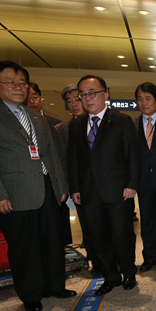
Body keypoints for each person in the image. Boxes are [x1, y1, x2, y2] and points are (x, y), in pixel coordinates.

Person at [0, 61, 75, 311]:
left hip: (47, 188)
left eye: (22, 83)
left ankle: (55, 286)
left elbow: (51, 154)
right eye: (10, 83)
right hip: (14, 194)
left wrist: (60, 185)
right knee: (24, 246)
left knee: (52, 240)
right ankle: (31, 294)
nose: (18, 88)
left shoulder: (35, 116)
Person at [68, 75, 140, 295]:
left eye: (92, 93)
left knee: (122, 234)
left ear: (105, 94)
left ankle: (128, 273)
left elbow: (132, 155)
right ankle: (110, 276)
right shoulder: (77, 124)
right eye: (83, 94)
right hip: (89, 192)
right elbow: (73, 158)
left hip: (118, 190)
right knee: (98, 236)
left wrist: (131, 184)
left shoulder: (121, 120)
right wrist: (75, 188)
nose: (87, 99)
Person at [54, 84, 97, 256]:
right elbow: (64, 161)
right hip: (79, 188)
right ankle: (94, 259)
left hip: (103, 185)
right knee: (87, 226)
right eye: (69, 101)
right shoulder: (61, 129)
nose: (74, 104)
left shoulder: (98, 122)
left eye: (77, 99)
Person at [133, 81, 156, 272]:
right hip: (143, 182)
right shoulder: (133, 124)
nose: (144, 103)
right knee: (147, 222)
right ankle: (150, 257)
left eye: (148, 98)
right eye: (140, 99)